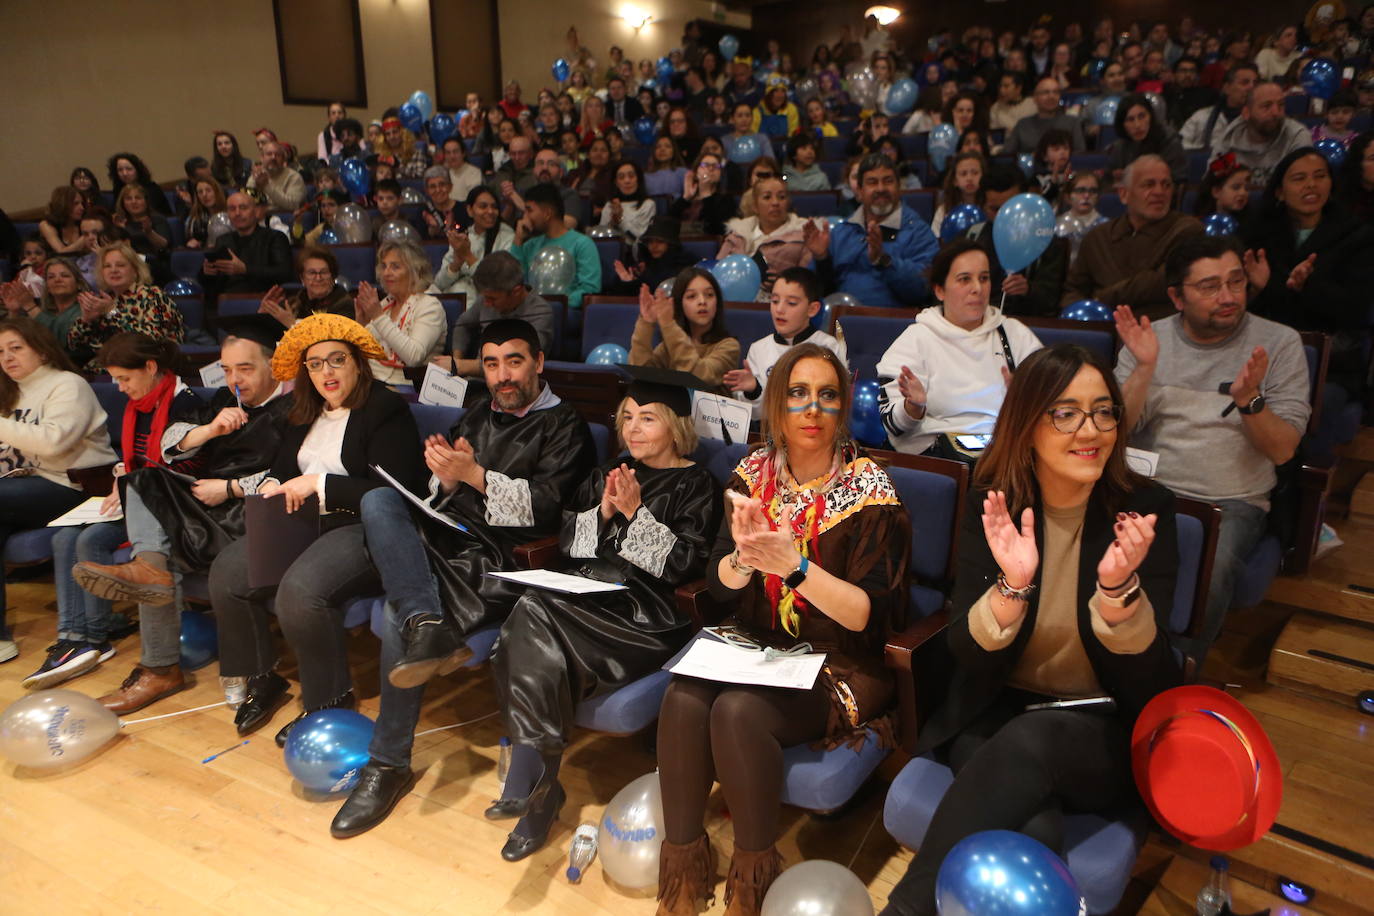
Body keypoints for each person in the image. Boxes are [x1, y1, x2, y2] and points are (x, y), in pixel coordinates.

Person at [879, 344, 1183, 916]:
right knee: (1033, 830)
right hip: (996, 710)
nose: (1090, 429)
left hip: (1102, 729)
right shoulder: (995, 504)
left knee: (1035, 744)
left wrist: (1118, 597)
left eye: (1104, 411)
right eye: (1066, 413)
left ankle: (905, 909)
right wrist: (1012, 587)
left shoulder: (1144, 512)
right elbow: (965, 651)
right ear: (1027, 423)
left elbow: (1157, 679)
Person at [656, 343, 909, 916]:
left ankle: (752, 885)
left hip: (838, 661)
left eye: (826, 396)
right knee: (684, 698)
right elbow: (719, 586)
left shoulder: (871, 491)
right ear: (777, 406)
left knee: (736, 712)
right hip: (760, 648)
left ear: (842, 409)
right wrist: (746, 557)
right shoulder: (752, 474)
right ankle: (683, 879)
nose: (811, 409)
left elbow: (866, 616)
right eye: (797, 395)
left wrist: (793, 566)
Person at [326, 319, 596, 840]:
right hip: (455, 538)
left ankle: (388, 764)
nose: (502, 375)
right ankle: (429, 621)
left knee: (399, 615)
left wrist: (474, 477)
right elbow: (441, 490)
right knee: (380, 499)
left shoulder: (566, 426)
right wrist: (446, 480)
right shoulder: (477, 414)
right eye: (491, 364)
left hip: (509, 558)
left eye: (514, 361)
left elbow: (551, 514)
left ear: (539, 362)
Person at [484, 368, 721, 859]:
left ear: (676, 426)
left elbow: (683, 568)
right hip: (586, 601)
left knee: (527, 620)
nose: (632, 428)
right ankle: (540, 791)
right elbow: (568, 545)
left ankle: (534, 787)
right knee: (531, 612)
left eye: (647, 418)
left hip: (644, 617)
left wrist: (637, 512)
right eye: (626, 417)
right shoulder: (608, 473)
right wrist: (606, 512)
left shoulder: (697, 484)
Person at [211, 314, 428, 741]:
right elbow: (281, 470)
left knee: (300, 591)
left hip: (363, 525)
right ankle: (263, 677)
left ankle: (328, 699)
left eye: (336, 360)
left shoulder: (386, 409)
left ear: (356, 363)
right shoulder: (302, 412)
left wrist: (318, 483)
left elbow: (392, 492)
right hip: (303, 520)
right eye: (315, 364)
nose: (326, 372)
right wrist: (275, 485)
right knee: (228, 573)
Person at [69, 319, 292, 695]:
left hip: (252, 514)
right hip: (208, 509)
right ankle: (150, 583)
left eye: (245, 368)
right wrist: (210, 430)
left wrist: (231, 488)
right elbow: (169, 445)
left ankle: (158, 663)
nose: (234, 379)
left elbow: (295, 477)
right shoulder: (225, 400)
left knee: (155, 542)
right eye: (226, 369)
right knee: (142, 481)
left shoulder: (295, 409)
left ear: (275, 365)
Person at [1114, 235, 1310, 661]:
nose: (1227, 297)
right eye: (1209, 287)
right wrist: (1145, 368)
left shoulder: (1279, 343)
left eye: (1236, 282)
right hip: (1147, 490)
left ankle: (1173, 675)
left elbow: (1283, 450)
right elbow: (1118, 430)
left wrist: (1249, 401)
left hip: (1229, 502)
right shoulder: (1150, 339)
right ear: (1176, 297)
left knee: (1210, 568)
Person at [63, 333, 208, 710]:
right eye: (114, 379)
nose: (119, 387)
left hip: (188, 506)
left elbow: (189, 467)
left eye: (124, 378)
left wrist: (132, 481)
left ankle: (160, 669)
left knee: (156, 563)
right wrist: (120, 481)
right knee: (83, 540)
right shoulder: (137, 407)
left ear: (150, 367)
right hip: (146, 502)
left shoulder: (187, 402)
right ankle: (88, 640)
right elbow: (134, 460)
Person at [0, 319, 118, 667]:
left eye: (16, 348)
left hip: (75, 486)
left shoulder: (68, 385)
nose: (7, 357)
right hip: (23, 487)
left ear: (41, 348)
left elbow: (53, 442)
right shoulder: (7, 394)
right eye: (0, 352)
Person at [877, 238, 1044, 460]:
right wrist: (913, 407)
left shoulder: (1014, 334)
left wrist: (1026, 397)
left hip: (1003, 454)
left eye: (984, 278)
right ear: (940, 290)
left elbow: (1053, 403)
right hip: (937, 457)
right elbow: (893, 426)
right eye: (964, 279)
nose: (977, 288)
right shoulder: (917, 339)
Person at [1242, 148, 1374, 396]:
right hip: (1265, 348)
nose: (1311, 185)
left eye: (1319, 176)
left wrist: (1308, 287)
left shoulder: (1357, 236)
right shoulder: (1259, 234)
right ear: (1280, 191)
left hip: (1331, 357)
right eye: (1299, 178)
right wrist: (1258, 290)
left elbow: (1355, 310)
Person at [1062, 156, 1203, 320]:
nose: (1159, 192)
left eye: (1166, 185)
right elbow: (1072, 291)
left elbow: (1158, 283)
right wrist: (1088, 312)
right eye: (1149, 184)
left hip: (1159, 329)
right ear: (1124, 194)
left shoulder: (1187, 230)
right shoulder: (1097, 238)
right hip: (1104, 330)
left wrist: (1100, 299)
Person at [804, 153, 940, 309]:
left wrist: (884, 260)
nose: (881, 188)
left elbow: (923, 290)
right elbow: (814, 292)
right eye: (872, 182)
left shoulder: (919, 231)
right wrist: (822, 259)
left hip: (894, 324)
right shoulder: (842, 231)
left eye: (888, 181)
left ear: (899, 187)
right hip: (840, 323)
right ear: (860, 191)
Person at [724, 267, 846, 411]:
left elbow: (835, 400)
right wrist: (754, 390)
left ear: (812, 309)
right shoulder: (759, 348)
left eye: (791, 303)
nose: (780, 309)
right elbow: (756, 413)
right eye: (775, 301)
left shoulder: (828, 346)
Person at [68, 241, 184, 373]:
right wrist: (86, 320)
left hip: (147, 368)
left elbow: (149, 341)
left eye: (120, 265)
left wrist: (112, 312)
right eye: (107, 266)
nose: (113, 270)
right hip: (104, 369)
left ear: (135, 270)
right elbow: (75, 345)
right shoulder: (103, 299)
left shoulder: (154, 296)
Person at [352, 241, 446, 389]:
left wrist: (377, 317)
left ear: (416, 271)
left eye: (395, 266)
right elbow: (361, 352)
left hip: (405, 386)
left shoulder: (429, 306)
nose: (386, 272)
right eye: (384, 266)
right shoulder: (386, 303)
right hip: (371, 381)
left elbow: (413, 357)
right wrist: (361, 324)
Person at [445, 252, 554, 376]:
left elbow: (523, 359)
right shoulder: (485, 300)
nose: (486, 303)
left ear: (516, 292)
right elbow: (463, 324)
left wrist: (463, 366)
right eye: (484, 297)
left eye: (492, 299)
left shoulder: (540, 311)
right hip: (479, 381)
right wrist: (457, 359)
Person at [629, 267, 740, 389]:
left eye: (709, 295)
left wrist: (669, 325)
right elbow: (641, 376)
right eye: (692, 296)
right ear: (679, 304)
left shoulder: (729, 346)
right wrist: (646, 323)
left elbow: (699, 378)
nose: (702, 301)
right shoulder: (669, 346)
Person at [718, 176, 815, 300]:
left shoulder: (803, 235)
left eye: (781, 197)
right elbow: (717, 273)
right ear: (755, 206)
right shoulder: (737, 235)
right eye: (767, 197)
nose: (775, 203)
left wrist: (782, 283)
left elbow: (807, 285)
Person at [512, 184, 601, 310]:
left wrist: (556, 304)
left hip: (565, 312)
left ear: (548, 213)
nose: (524, 217)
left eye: (529, 210)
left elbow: (589, 289)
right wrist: (518, 240)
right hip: (531, 311)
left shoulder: (582, 244)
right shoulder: (529, 245)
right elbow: (514, 281)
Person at [1207, 81, 1311, 189]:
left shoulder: (1297, 136)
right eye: (1266, 106)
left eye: (1281, 105)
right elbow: (1213, 186)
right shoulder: (1229, 138)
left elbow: (1302, 187)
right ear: (1246, 113)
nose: (1276, 112)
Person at [199, 192, 295, 304]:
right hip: (228, 300)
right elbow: (214, 283)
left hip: (264, 300)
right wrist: (207, 272)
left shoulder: (275, 237)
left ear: (256, 212)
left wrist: (245, 269)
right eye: (232, 209)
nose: (237, 213)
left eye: (243, 208)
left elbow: (284, 273)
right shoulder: (223, 240)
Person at [429, 187, 517, 303]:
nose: (490, 211)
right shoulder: (463, 237)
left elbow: (497, 283)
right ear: (470, 210)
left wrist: (468, 256)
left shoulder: (507, 236)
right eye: (483, 206)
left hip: (488, 303)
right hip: (457, 299)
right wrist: (456, 264)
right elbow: (439, 284)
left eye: (494, 207)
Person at [259, 247, 355, 328]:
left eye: (324, 272)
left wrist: (293, 324)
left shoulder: (345, 304)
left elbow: (334, 338)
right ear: (302, 278)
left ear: (333, 276)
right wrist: (263, 315)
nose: (318, 278)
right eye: (312, 273)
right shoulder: (293, 302)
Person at [1107, 93, 1188, 184]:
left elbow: (1178, 180)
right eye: (1130, 119)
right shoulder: (1120, 147)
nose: (1137, 125)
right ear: (1122, 124)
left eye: (1141, 117)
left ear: (1151, 117)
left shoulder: (1169, 142)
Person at [1181, 63, 1258, 152]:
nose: (1251, 87)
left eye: (1255, 83)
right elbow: (1180, 147)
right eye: (1244, 83)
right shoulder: (1202, 117)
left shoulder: (1263, 119)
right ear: (1226, 88)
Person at [1004, 78, 1087, 156]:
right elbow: (1008, 154)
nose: (1051, 96)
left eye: (1056, 92)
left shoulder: (1072, 122)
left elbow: (1079, 154)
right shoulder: (1023, 124)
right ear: (1035, 98)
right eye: (1046, 92)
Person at [113, 185, 173, 284]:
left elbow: (164, 245)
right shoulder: (119, 222)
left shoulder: (157, 219)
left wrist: (149, 232)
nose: (133, 202)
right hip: (128, 265)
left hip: (154, 265)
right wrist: (120, 230)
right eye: (128, 198)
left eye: (138, 198)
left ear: (146, 201)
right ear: (123, 203)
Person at [669, 150, 736, 237]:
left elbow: (718, 230)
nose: (711, 169)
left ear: (720, 175)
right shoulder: (686, 198)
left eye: (716, 166)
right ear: (696, 172)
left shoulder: (727, 200)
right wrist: (685, 198)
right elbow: (668, 224)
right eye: (705, 165)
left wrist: (706, 195)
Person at [1056, 171, 1109, 264]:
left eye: (1093, 191)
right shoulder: (1057, 224)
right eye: (1080, 191)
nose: (1087, 196)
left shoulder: (1106, 227)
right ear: (1067, 197)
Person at [932, 153, 985, 240]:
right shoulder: (943, 210)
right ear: (955, 181)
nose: (969, 178)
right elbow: (936, 240)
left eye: (975, 173)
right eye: (963, 174)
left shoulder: (990, 208)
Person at [600, 161, 656, 242]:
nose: (627, 181)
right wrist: (613, 221)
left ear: (638, 179)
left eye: (631, 176)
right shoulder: (610, 205)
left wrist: (620, 219)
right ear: (616, 182)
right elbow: (603, 237)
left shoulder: (648, 204)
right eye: (621, 177)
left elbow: (640, 238)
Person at [1193, 153, 1253, 227]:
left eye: (1247, 188)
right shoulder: (1200, 224)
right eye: (1236, 187)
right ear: (1216, 192)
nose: (1243, 193)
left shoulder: (1252, 223)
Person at [244, 141, 306, 212]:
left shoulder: (294, 177)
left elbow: (293, 205)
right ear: (262, 158)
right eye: (269, 154)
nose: (273, 157)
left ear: (283, 159)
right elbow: (248, 201)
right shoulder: (257, 175)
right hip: (260, 216)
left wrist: (266, 186)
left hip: (285, 217)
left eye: (278, 155)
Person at [566, 137, 616, 219]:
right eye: (594, 150)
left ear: (609, 155)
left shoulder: (614, 176)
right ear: (588, 155)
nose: (598, 154)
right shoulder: (575, 174)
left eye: (603, 150)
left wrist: (602, 210)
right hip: (573, 213)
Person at [107, 152, 171, 216]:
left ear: (137, 170)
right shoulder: (119, 189)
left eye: (129, 169)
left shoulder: (152, 189)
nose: (124, 173)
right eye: (120, 170)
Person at [1164, 56, 1219, 130]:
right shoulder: (1167, 95)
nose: (1188, 75)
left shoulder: (1208, 95)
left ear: (1197, 75)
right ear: (1174, 74)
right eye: (1183, 71)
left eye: (1192, 71)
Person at [375, 114, 431, 179]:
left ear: (402, 133)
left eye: (395, 132)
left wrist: (399, 168)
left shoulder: (416, 153)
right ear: (384, 138)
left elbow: (420, 175)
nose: (392, 137)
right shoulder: (382, 156)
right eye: (388, 134)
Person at [38, 186, 86, 257]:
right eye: (76, 204)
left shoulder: (83, 222)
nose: (82, 208)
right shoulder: (46, 224)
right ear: (62, 205)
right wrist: (86, 236)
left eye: (82, 203)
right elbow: (61, 252)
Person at [184, 178, 228, 249]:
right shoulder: (194, 219)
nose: (204, 195)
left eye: (208, 190)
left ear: (217, 192)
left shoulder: (230, 213)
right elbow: (190, 240)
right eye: (200, 192)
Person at [419, 166, 459, 239]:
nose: (438, 190)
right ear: (427, 191)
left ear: (450, 187)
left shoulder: (464, 210)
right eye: (432, 186)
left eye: (442, 185)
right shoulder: (422, 212)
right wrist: (431, 232)